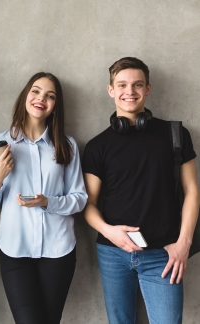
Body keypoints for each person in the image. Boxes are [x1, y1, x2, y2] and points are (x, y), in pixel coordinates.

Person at [82, 57, 200, 323]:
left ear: (148, 88)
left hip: (164, 254)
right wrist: (109, 231)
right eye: (122, 85)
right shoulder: (97, 146)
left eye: (137, 85)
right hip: (113, 253)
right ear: (111, 90)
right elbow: (88, 205)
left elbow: (192, 191)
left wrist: (184, 243)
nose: (130, 92)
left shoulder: (176, 134)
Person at [0, 72, 87, 323]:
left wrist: (47, 202)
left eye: (50, 96)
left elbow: (80, 198)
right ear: (25, 96)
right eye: (36, 91)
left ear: (55, 106)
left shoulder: (67, 146)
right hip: (15, 250)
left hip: (58, 250)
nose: (41, 99)